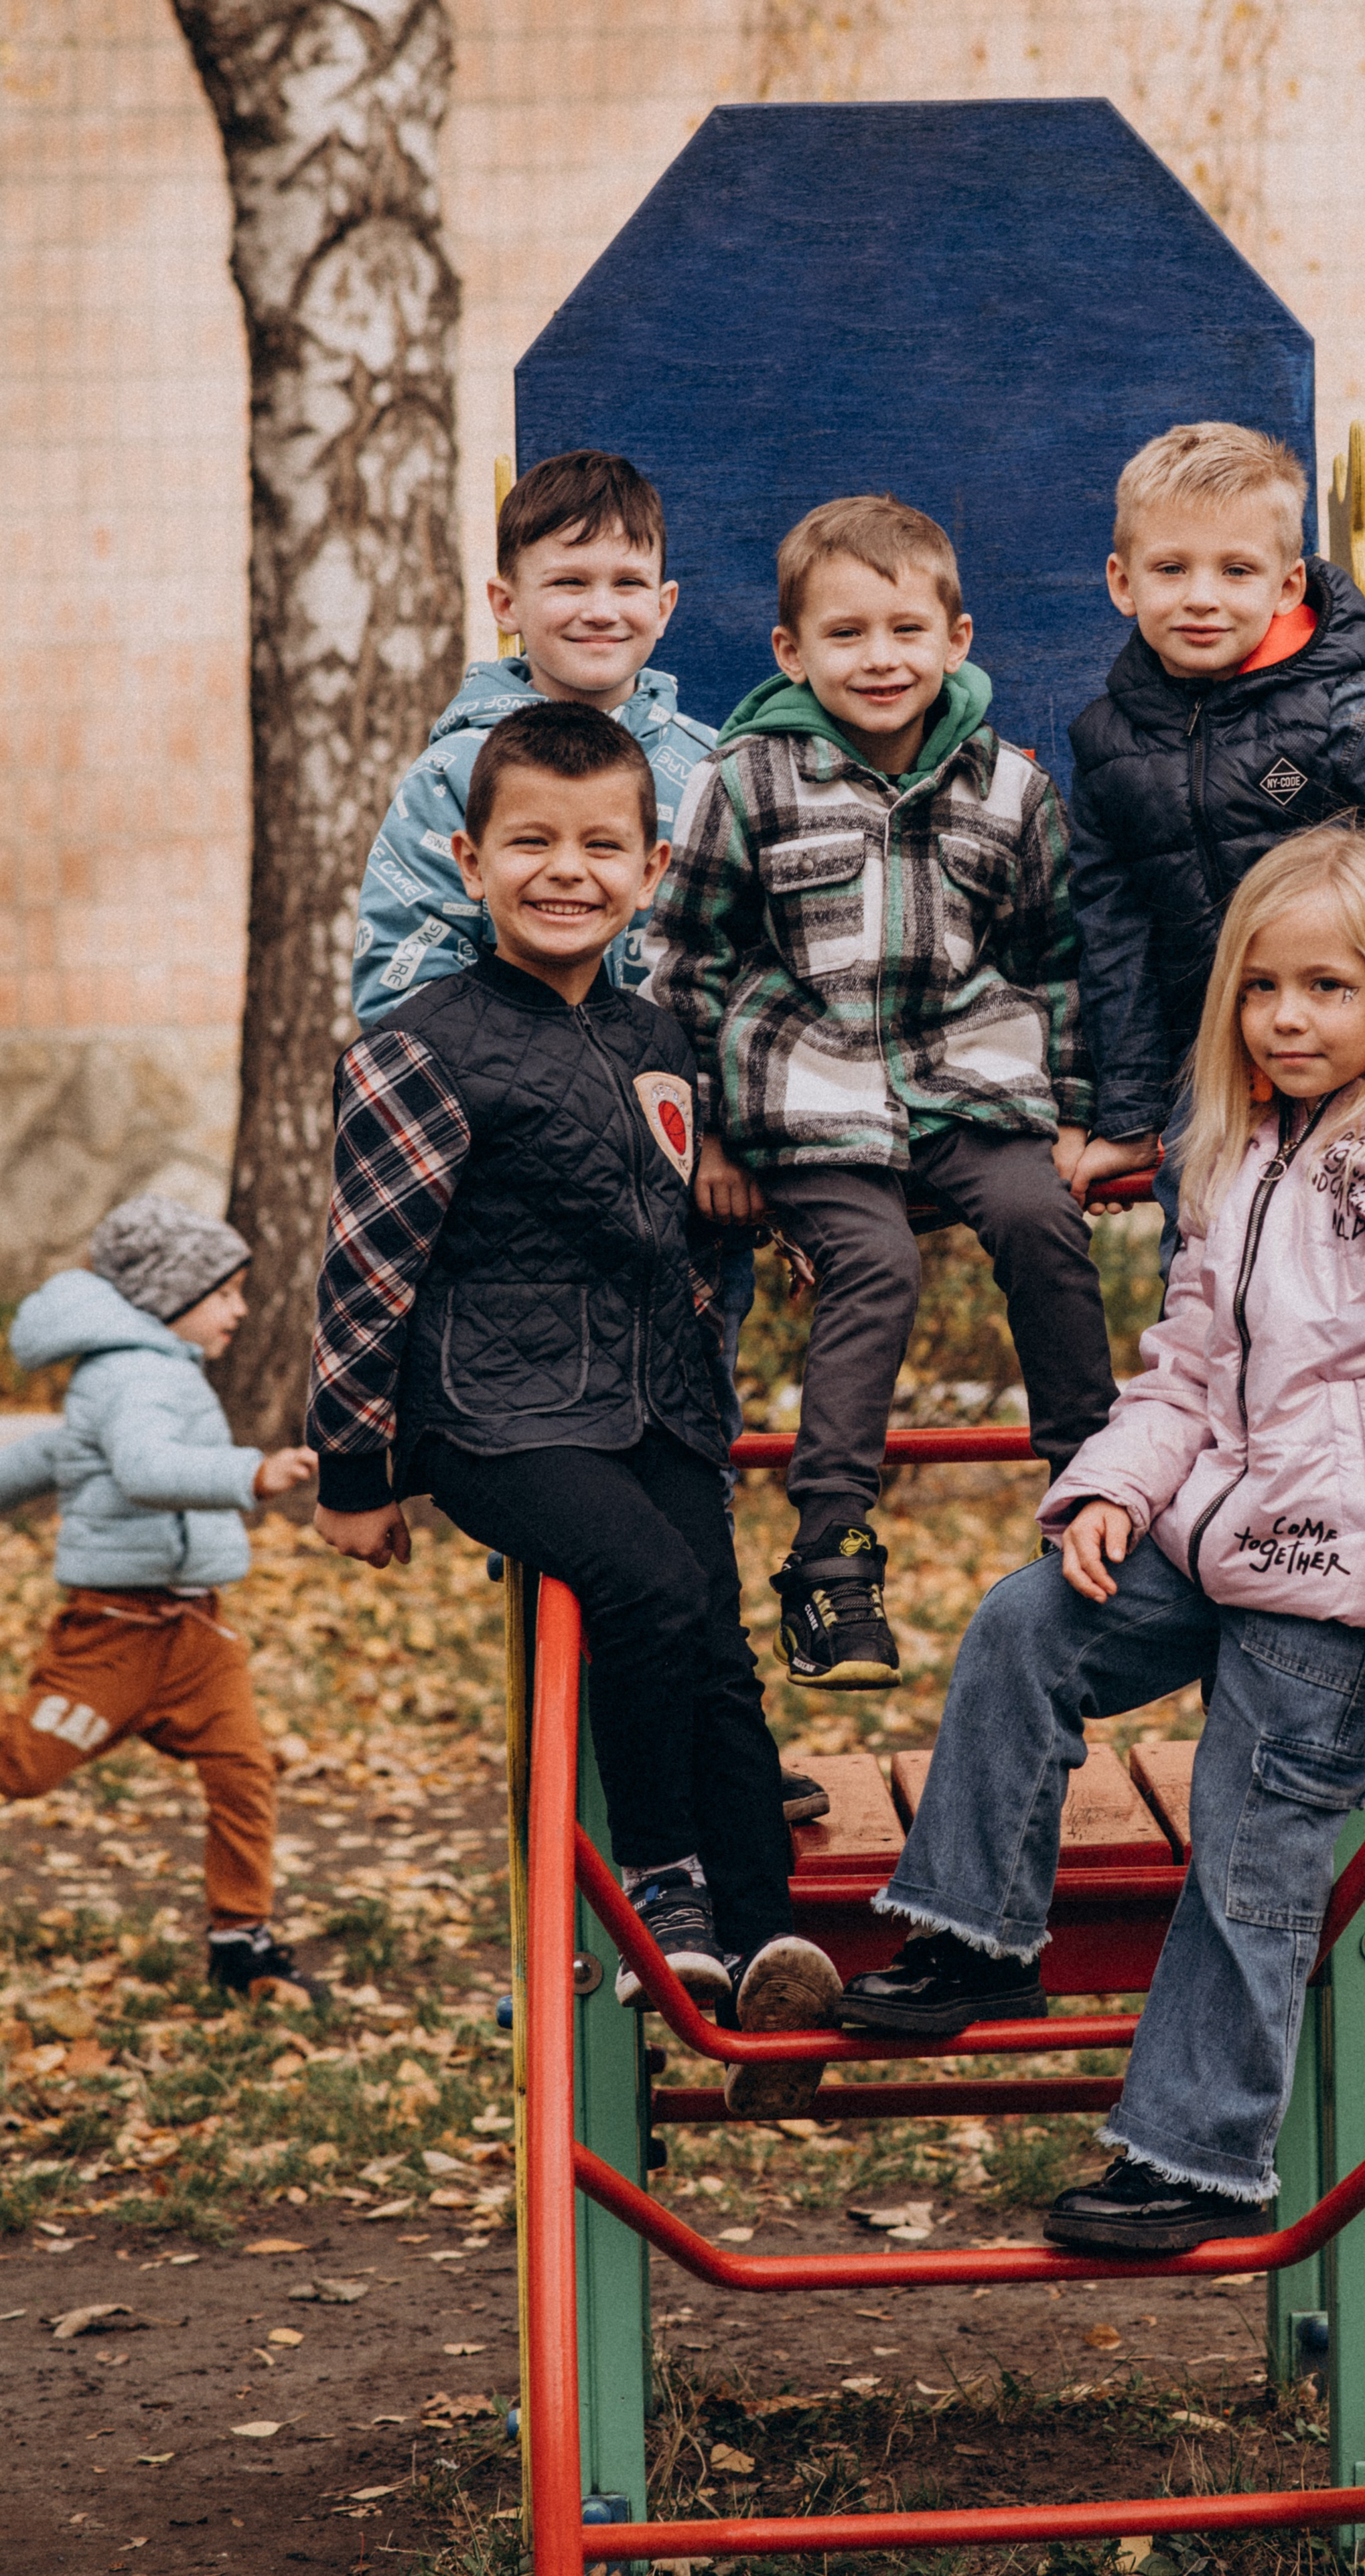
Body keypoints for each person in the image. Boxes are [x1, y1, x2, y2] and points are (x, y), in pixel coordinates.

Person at [838, 820, 1365, 2252]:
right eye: (1260, 987)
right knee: (1023, 1619)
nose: (1286, 1018)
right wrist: (1110, 1490)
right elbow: (1184, 1367)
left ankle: (1190, 2154)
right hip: (1203, 1532)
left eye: (1326, 988)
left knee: (1246, 1858)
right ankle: (973, 1937)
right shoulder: (1236, 1150)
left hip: (1330, 1584)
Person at [309, 698, 839, 2117]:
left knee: (713, 1638)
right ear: (471, 860)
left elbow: (660, 1226)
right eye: (530, 842)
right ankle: (665, 1891)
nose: (567, 870)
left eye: (600, 845)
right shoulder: (420, 1046)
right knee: (648, 1589)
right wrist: (351, 1470)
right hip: (494, 1413)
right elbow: (366, 1269)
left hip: (646, 1406)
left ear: (650, 867)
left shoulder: (656, 1037)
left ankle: (769, 1935)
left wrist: (773, 1232)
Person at [349, 445, 820, 1820]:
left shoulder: (712, 766)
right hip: (532, 1217)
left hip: (682, 1196)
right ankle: (633, 1794)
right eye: (567, 581)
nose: (597, 606)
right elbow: (399, 980)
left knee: (687, 1479)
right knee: (587, 1515)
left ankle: (718, 1763)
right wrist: (574, 1053)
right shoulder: (453, 778)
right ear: (508, 599)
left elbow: (749, 968)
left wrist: (735, 1140)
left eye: (625, 581)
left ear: (667, 604)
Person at [650, 493, 1119, 1688]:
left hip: (966, 1077)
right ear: (791, 654)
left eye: (906, 630)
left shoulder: (1010, 785)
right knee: (877, 1260)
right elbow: (686, 958)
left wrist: (1070, 1112)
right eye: (846, 635)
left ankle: (1099, 1491)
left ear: (957, 638)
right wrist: (706, 1132)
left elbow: (1052, 954)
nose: (880, 659)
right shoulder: (745, 780)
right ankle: (832, 1560)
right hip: (808, 1090)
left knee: (1038, 1218)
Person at [1062, 422, 1365, 1272]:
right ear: (1123, 582)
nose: (1201, 596)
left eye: (1235, 570)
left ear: (1286, 582)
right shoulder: (1109, 746)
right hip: (1221, 1070)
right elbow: (1113, 938)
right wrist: (1126, 1116)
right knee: (1207, 1259)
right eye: (1171, 569)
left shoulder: (1352, 721)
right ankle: (1215, 1406)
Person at [0, 1197, 319, 1997]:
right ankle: (239, 1938)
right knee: (24, 1765)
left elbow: (59, 1455)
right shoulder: (135, 1374)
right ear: (169, 1296)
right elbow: (145, 1470)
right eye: (225, 1293)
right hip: (116, 1635)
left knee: (244, 1772)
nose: (242, 1309)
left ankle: (241, 1938)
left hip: (194, 1634)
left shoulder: (154, 1368)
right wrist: (252, 1473)